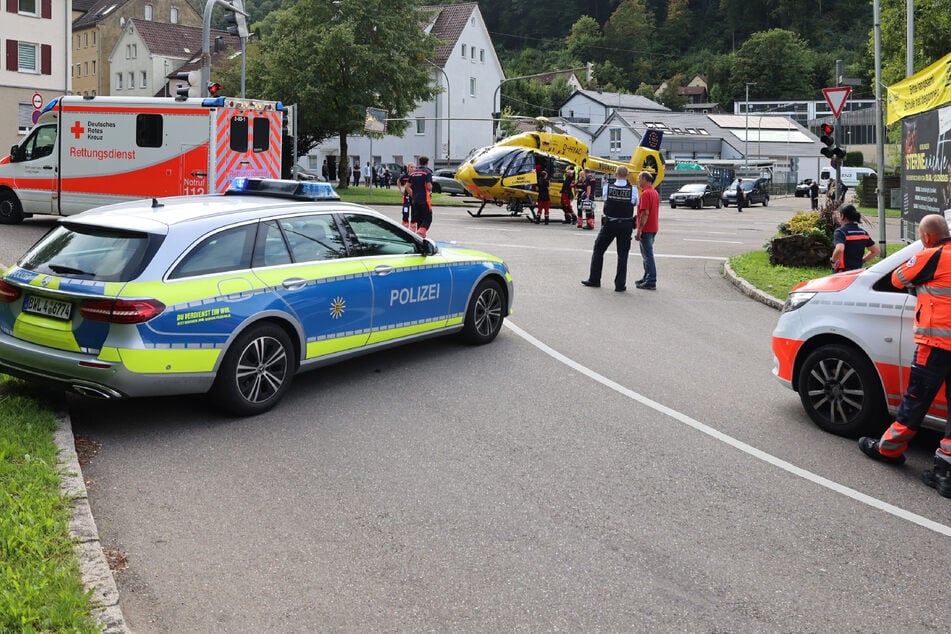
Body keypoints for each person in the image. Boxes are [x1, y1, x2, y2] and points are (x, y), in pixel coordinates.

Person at [858, 214, 951, 497]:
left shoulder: (931, 256)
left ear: (926, 237)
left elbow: (898, 279)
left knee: (914, 400)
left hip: (935, 346)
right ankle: (946, 474)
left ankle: (889, 449)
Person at [581, 166, 638, 291]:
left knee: (598, 250)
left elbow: (605, 198)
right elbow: (635, 202)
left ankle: (594, 279)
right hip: (626, 224)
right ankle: (620, 285)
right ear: (628, 176)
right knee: (623, 255)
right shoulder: (633, 190)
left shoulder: (608, 187)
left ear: (615, 175)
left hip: (609, 224)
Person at [830, 204, 880, 272]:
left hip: (842, 271)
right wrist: (863, 260)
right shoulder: (863, 233)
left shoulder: (840, 232)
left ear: (842, 216)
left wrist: (833, 261)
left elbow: (839, 249)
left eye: (839, 215)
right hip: (857, 271)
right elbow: (876, 251)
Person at [634, 170, 660, 290]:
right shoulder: (654, 192)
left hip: (647, 228)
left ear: (645, 179)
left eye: (639, 178)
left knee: (647, 255)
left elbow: (645, 213)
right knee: (646, 255)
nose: (638, 180)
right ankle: (646, 277)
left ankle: (651, 281)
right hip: (653, 227)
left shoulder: (645, 194)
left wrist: (639, 230)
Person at [408, 156, 434, 238]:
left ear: (419, 162)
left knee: (419, 219)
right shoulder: (427, 172)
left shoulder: (413, 173)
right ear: (427, 163)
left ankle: (420, 238)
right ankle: (420, 233)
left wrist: (413, 195)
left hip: (415, 200)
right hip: (425, 200)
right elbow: (429, 186)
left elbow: (407, 186)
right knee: (427, 218)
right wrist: (431, 188)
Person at [397, 165, 414, 229]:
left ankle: (413, 226)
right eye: (411, 167)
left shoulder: (416, 176)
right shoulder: (404, 176)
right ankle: (405, 225)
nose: (413, 168)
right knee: (405, 210)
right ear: (408, 168)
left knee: (414, 212)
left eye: (414, 167)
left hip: (414, 197)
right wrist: (400, 190)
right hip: (406, 197)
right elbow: (398, 181)